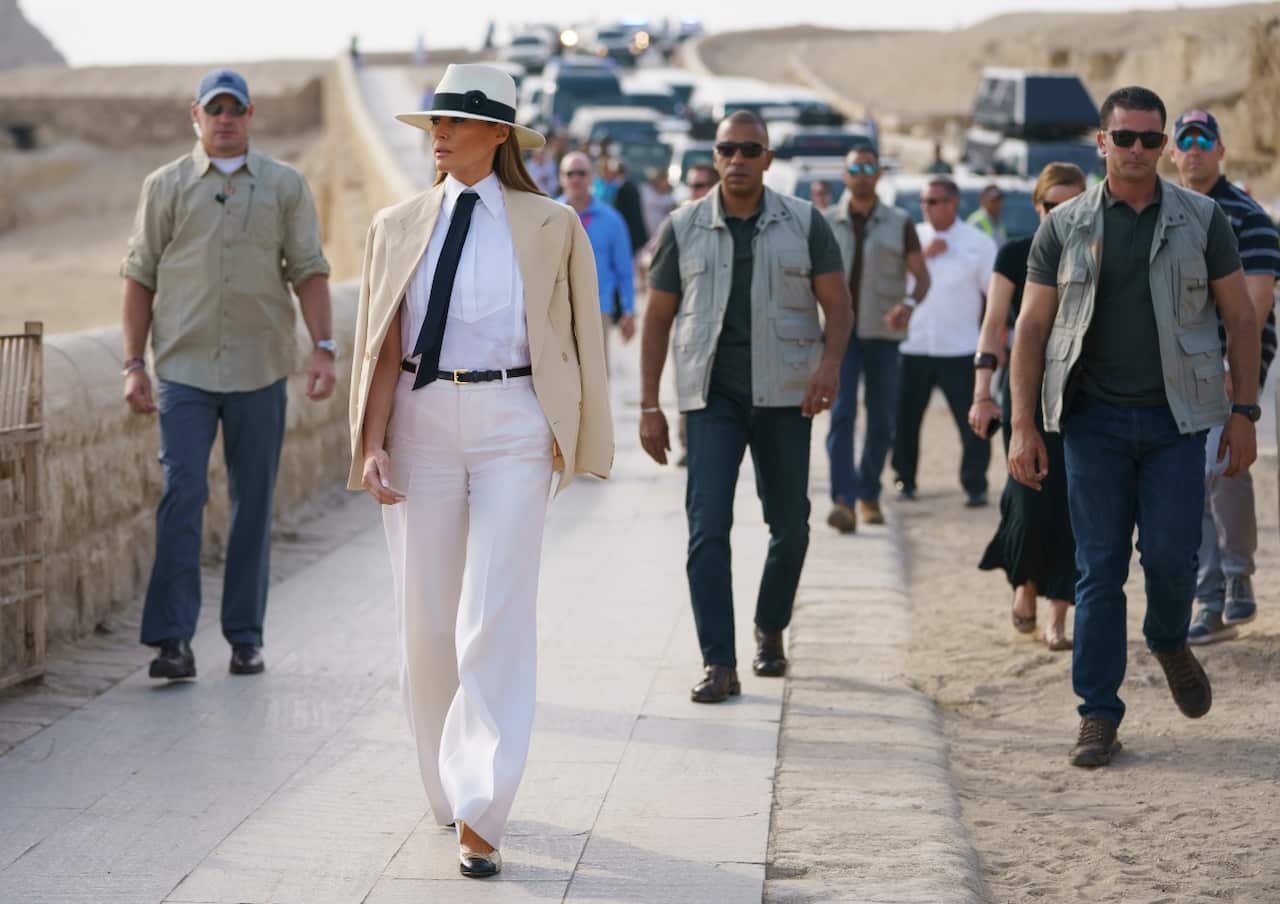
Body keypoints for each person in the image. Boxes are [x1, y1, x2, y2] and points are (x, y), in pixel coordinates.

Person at [349, 64, 612, 877]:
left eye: (456, 121)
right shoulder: (396, 225)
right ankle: (444, 783)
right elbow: (382, 343)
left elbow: (583, 337)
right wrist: (371, 441)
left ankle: (482, 808)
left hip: (513, 427)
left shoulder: (553, 224)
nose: (440, 133)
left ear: (498, 134)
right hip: (420, 426)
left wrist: (579, 436)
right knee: (426, 622)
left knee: (494, 617)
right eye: (435, 121)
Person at [1009, 86, 1258, 768]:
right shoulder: (1065, 226)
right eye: (1126, 138)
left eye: (1152, 139)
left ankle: (1169, 638)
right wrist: (1023, 425)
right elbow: (1030, 328)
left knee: (1174, 559)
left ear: (1165, 144)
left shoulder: (1203, 219)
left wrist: (1243, 413)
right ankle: (1098, 714)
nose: (1139, 150)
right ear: (1102, 143)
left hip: (1179, 422)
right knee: (1098, 569)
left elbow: (1240, 317)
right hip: (1094, 424)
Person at [121, 68, 334, 681]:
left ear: (249, 115)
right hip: (183, 369)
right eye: (213, 109)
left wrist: (324, 349)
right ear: (195, 115)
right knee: (182, 493)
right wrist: (133, 365)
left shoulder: (284, 185)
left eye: (233, 109)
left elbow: (309, 270)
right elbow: (139, 275)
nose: (223, 119)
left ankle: (245, 638)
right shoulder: (165, 186)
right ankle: (172, 642)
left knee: (252, 504)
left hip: (260, 368)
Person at [638, 111, 852, 703]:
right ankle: (719, 663)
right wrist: (650, 406)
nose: (737, 160)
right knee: (707, 528)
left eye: (749, 150)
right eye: (727, 149)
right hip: (712, 398)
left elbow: (839, 306)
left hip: (786, 396)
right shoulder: (684, 226)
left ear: (767, 159)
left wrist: (830, 366)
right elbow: (657, 319)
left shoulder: (805, 223)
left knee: (791, 527)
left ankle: (770, 624)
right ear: (714, 156)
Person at [1168, 109, 1280, 644]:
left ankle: (1230, 580)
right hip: (1174, 365)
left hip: (1229, 362)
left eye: (1203, 139)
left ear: (1220, 151)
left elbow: (1255, 306)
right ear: (1173, 153)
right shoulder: (1162, 212)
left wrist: (1238, 370)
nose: (1194, 148)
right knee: (1187, 481)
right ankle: (1213, 592)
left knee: (1224, 467)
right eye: (1184, 140)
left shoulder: (1248, 217)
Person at [969, 163, 1087, 652]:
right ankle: (1025, 581)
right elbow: (994, 323)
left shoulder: (1097, 255)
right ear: (1038, 206)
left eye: (1072, 205)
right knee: (1026, 492)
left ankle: (1058, 612)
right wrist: (981, 392)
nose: (1060, 215)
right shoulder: (1016, 253)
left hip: (1084, 392)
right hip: (1024, 391)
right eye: (1051, 206)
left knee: (1075, 502)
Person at [823, 146, 930, 533]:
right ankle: (843, 501)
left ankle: (868, 491)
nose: (862, 175)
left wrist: (908, 304)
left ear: (879, 174)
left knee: (883, 420)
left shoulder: (899, 222)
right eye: (855, 168)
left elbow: (922, 278)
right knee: (841, 415)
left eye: (869, 167)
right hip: (839, 335)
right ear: (844, 174)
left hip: (884, 334)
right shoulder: (826, 222)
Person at [890, 177, 997, 506]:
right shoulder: (911, 238)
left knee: (974, 421)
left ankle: (975, 484)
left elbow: (994, 297)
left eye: (935, 201)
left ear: (953, 204)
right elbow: (889, 284)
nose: (927, 207)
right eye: (924, 201)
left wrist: (996, 342)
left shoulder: (978, 243)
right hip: (913, 345)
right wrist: (921, 257)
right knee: (905, 419)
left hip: (960, 347)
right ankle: (904, 479)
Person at [558, 151, 636, 362]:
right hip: (556, 311)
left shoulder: (612, 220)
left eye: (582, 173)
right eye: (570, 173)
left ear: (592, 177)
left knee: (596, 375)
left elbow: (624, 269)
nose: (576, 179)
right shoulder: (548, 218)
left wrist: (629, 310)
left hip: (597, 310)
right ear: (561, 178)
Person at [640, 167, 676, 238]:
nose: (665, 183)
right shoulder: (645, 190)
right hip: (643, 230)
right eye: (663, 180)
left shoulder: (669, 197)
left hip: (659, 234)